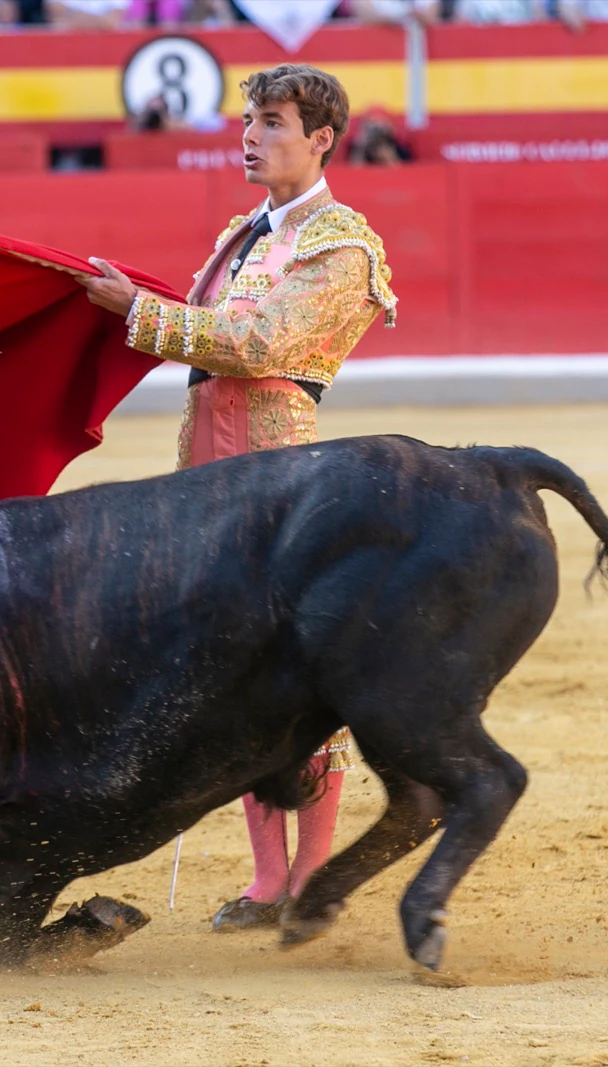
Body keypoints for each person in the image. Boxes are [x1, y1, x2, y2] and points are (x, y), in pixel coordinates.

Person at [77, 64, 397, 933]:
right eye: (249, 120)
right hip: (205, 478)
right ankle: (265, 882)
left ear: (322, 137)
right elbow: (204, 327)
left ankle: (315, 877)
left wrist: (138, 311)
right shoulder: (240, 235)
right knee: (230, 675)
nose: (252, 136)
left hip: (283, 480)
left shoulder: (341, 244)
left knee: (302, 673)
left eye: (274, 122)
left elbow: (258, 343)